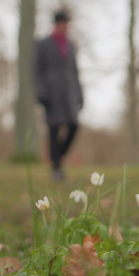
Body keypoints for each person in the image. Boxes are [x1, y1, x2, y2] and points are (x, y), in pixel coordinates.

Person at [34, 10, 84, 181]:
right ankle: (56, 167)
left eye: (66, 24)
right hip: (51, 92)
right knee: (54, 129)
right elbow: (36, 70)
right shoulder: (43, 44)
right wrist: (40, 92)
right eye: (62, 24)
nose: (64, 27)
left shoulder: (71, 45)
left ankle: (57, 158)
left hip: (69, 91)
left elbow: (75, 70)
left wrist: (80, 94)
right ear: (56, 24)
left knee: (74, 125)